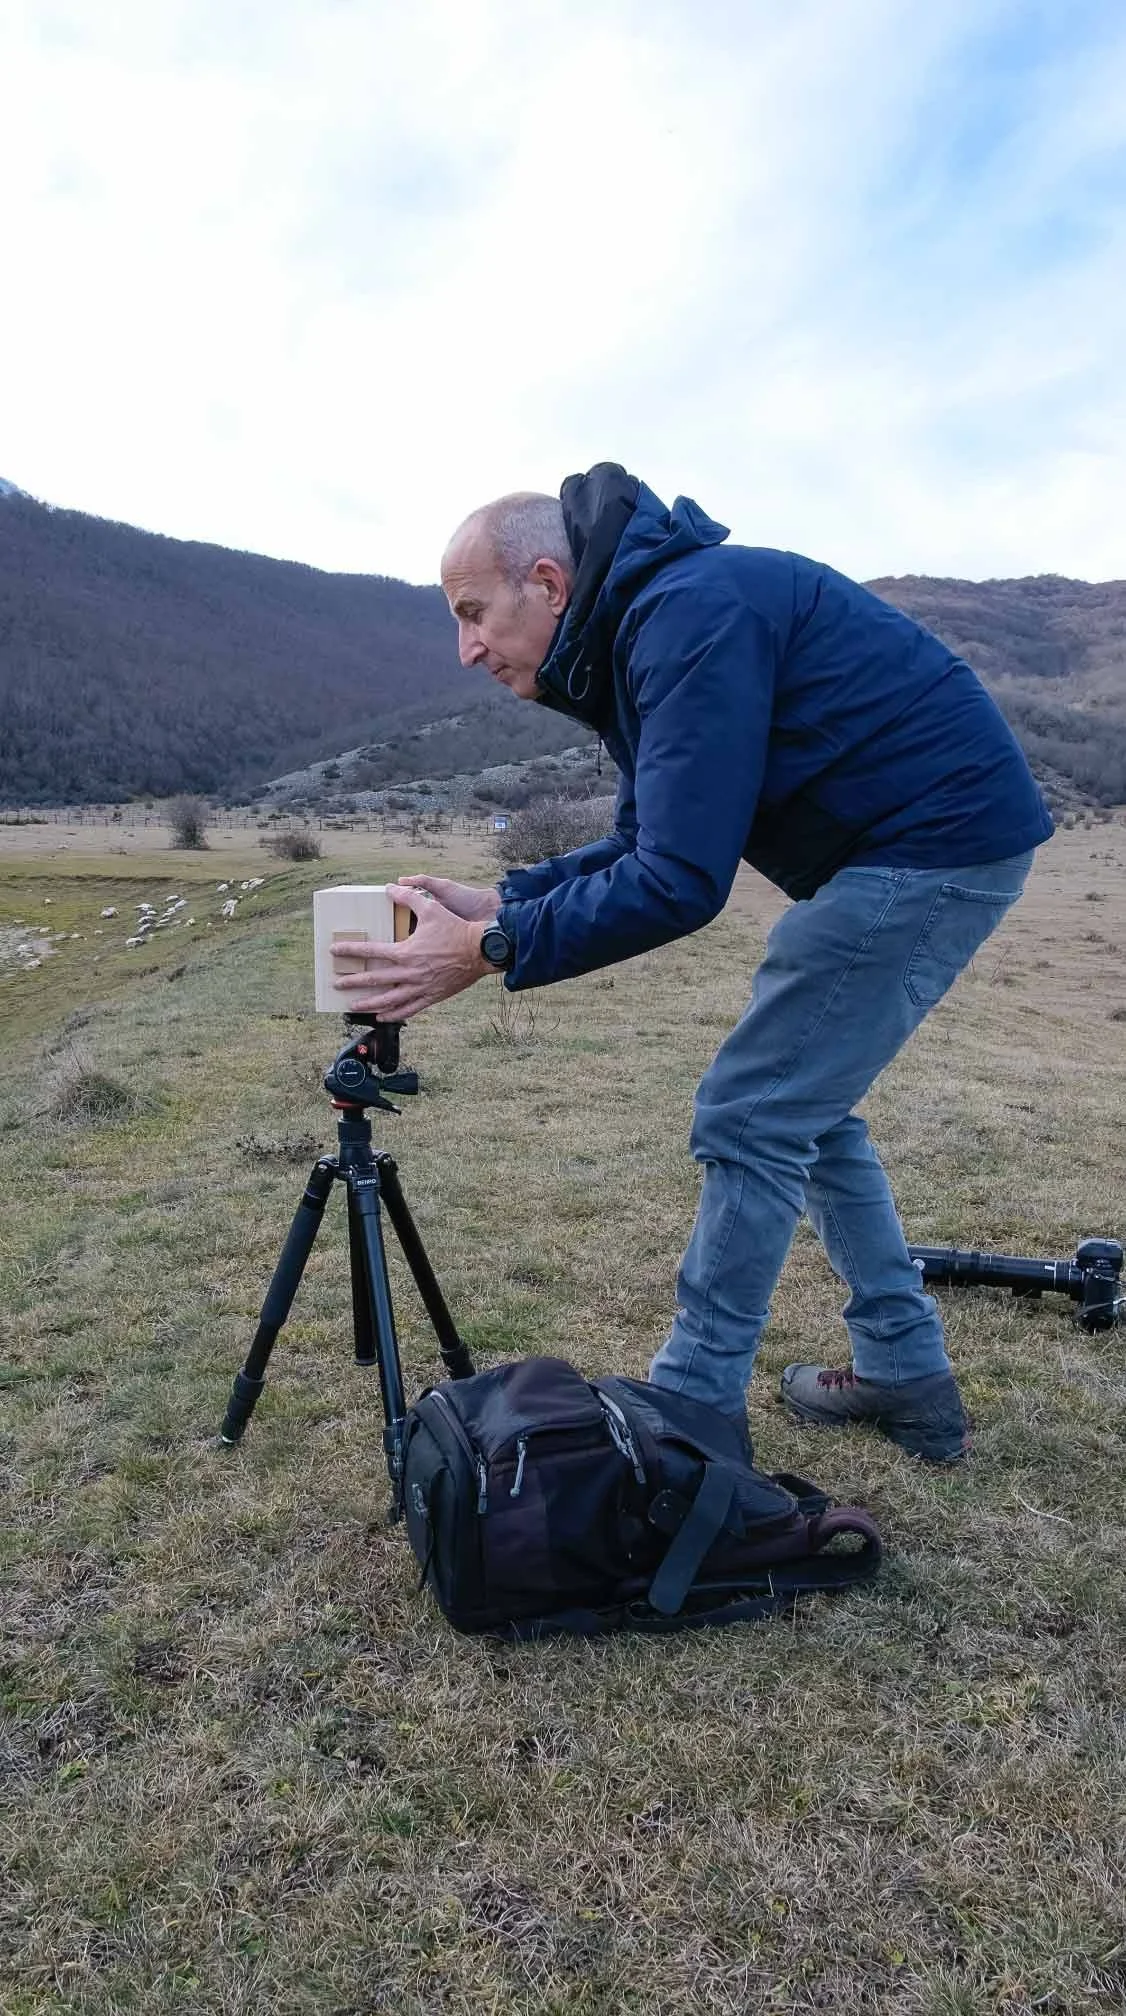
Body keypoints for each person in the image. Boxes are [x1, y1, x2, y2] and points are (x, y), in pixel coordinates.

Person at [333, 463, 1053, 1463]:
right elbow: (644, 841)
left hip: (928, 848)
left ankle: (690, 1414)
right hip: (904, 849)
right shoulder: (642, 627)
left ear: (545, 582)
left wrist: (492, 949)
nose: (465, 650)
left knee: (751, 1112)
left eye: (471, 614)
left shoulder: (682, 616)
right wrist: (505, 900)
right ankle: (901, 1365)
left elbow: (679, 881)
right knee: (802, 1107)